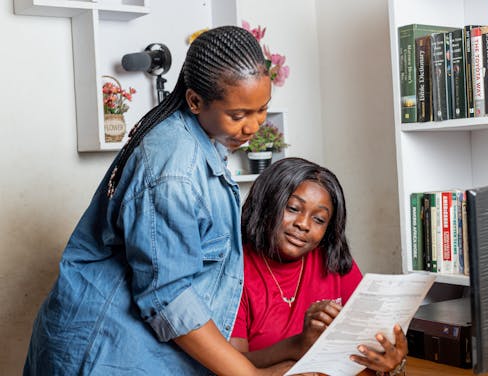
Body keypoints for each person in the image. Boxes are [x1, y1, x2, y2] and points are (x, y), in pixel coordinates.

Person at [24, 26, 293, 376]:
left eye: (262, 110)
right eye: (239, 115)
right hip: (104, 352)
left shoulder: (203, 140)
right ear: (195, 101)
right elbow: (168, 297)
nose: (254, 126)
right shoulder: (174, 168)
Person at [230, 157, 408, 375]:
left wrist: (391, 360)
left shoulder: (334, 262)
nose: (303, 225)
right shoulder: (234, 270)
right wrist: (298, 346)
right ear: (266, 204)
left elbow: (367, 347)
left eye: (319, 219)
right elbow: (231, 363)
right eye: (293, 208)